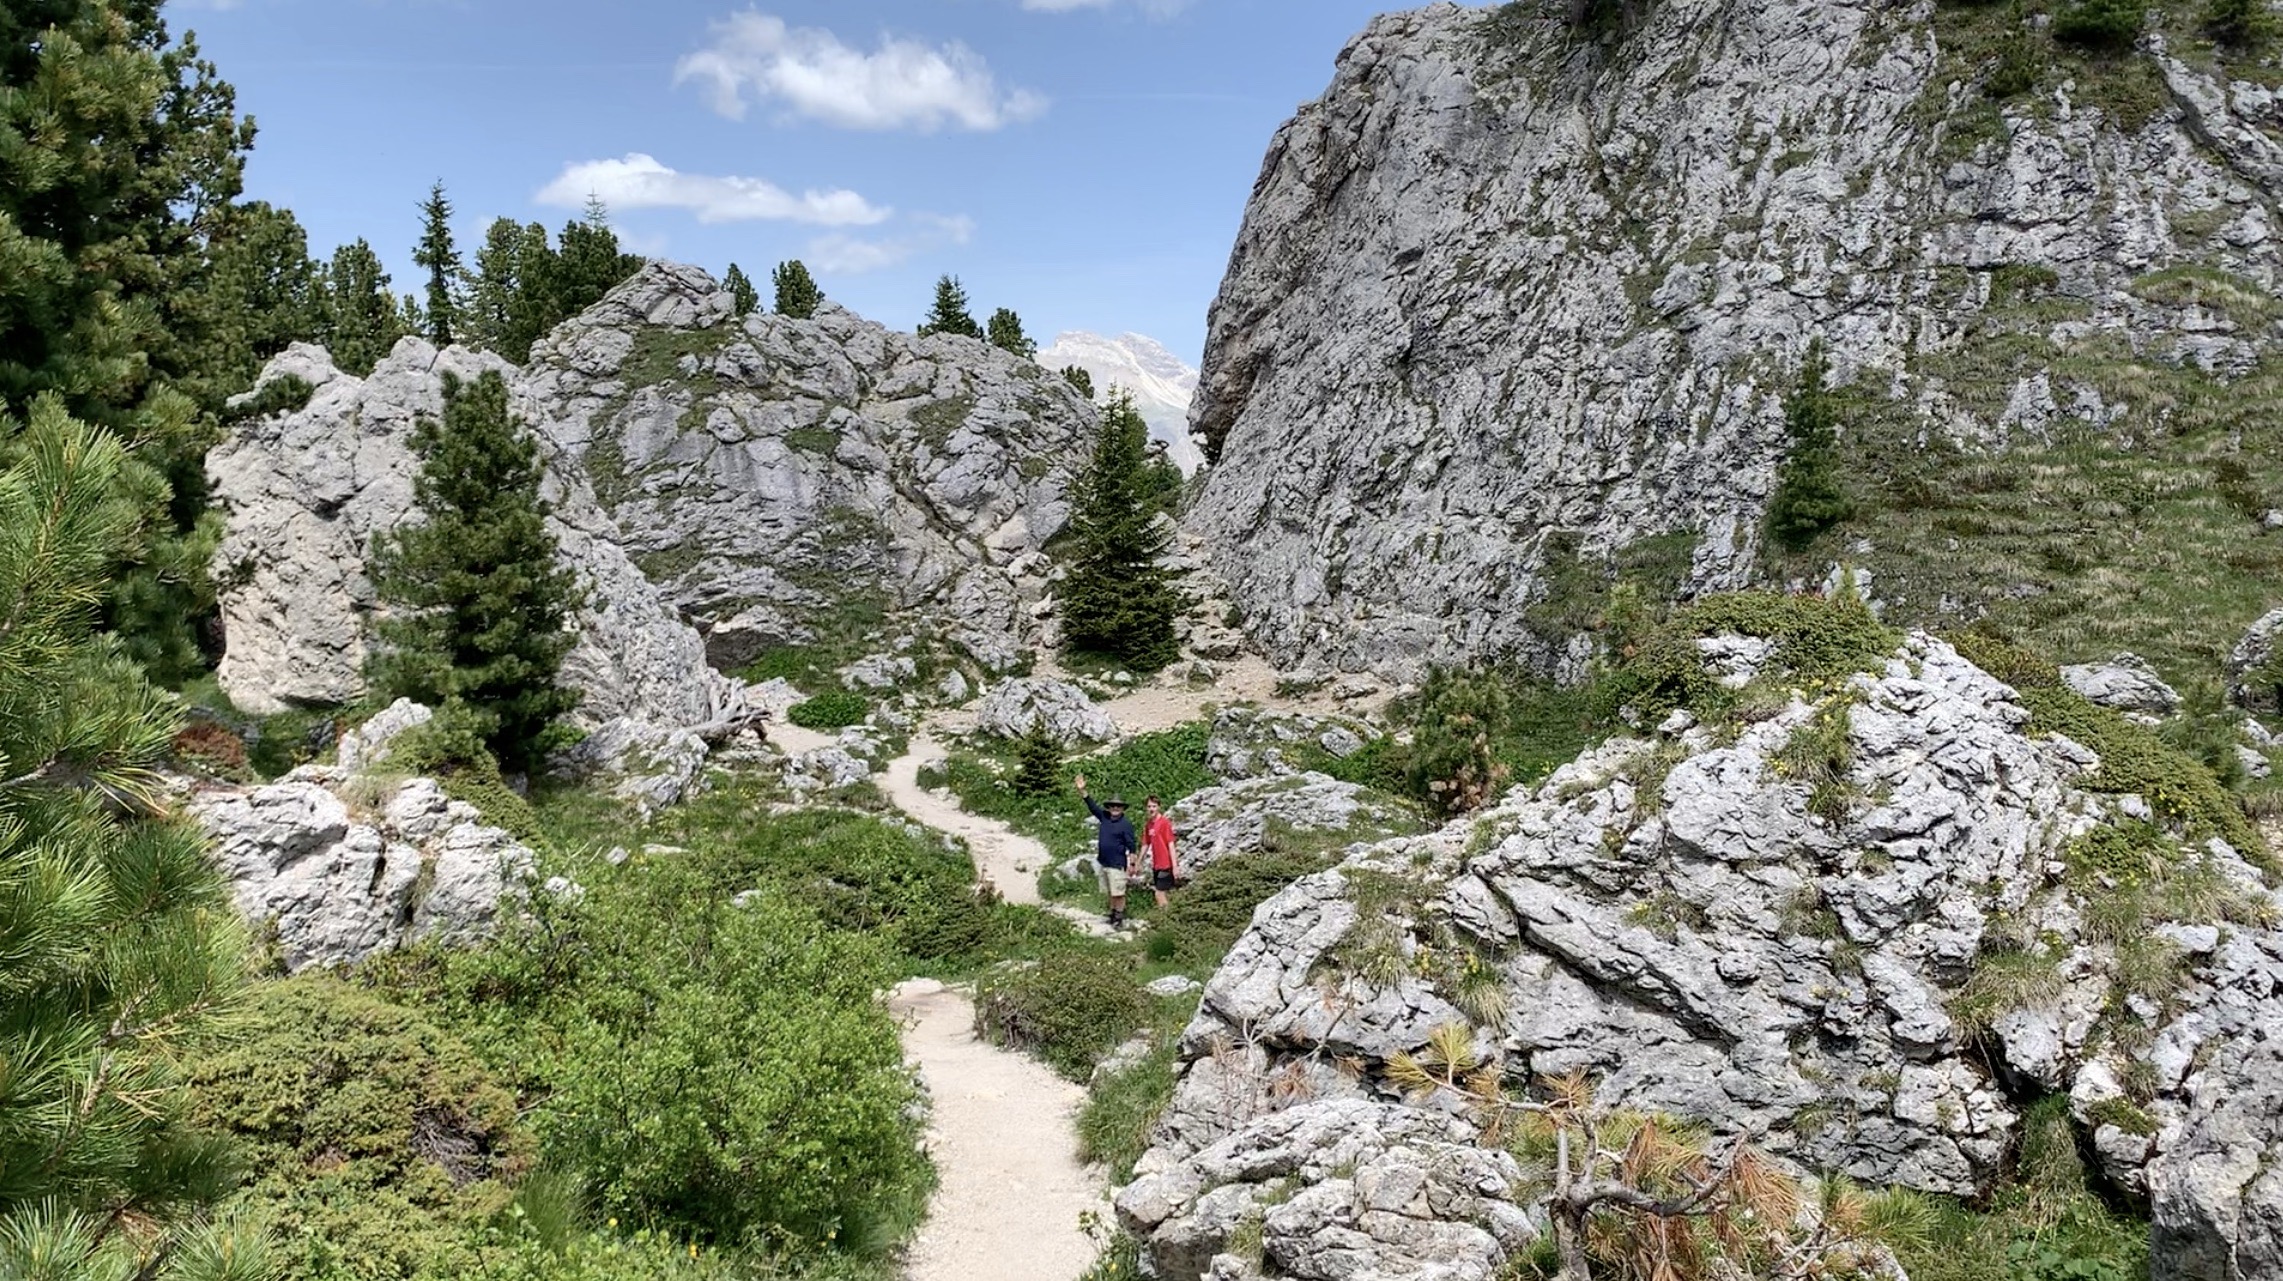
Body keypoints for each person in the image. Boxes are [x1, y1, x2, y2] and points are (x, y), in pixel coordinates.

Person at [1075, 773, 1135, 927]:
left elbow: (1131, 844)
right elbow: (1092, 806)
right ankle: (1112, 913)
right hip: (1104, 862)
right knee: (1109, 891)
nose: (1115, 808)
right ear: (1109, 807)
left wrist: (1133, 863)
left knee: (1118, 891)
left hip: (1117, 863)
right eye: (1112, 806)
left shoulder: (1126, 824)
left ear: (1122, 808)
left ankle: (1119, 916)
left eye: (1118, 806)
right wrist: (1083, 791)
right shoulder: (1105, 817)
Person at [1143, 795, 1178, 908]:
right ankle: (1165, 916)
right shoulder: (1149, 824)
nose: (1151, 809)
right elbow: (1145, 844)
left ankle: (1164, 918)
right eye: (1149, 806)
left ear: (1159, 807)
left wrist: (1175, 866)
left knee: (1159, 893)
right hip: (1156, 864)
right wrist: (1138, 862)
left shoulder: (1164, 823)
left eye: (1154, 806)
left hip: (1165, 864)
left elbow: (1171, 844)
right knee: (1161, 893)